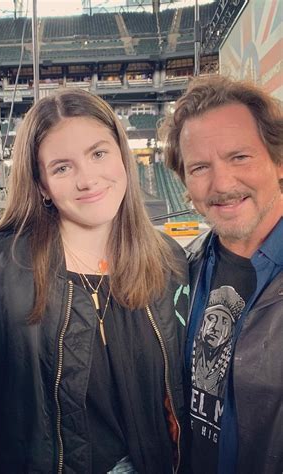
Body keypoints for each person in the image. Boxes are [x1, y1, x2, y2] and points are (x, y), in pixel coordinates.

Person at [0, 89, 189, 473]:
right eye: (62, 167)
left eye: (98, 153)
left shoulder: (169, 261)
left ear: (122, 157)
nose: (88, 179)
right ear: (41, 184)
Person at [159, 75, 282, 474]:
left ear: (278, 161)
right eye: (199, 167)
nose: (222, 184)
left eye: (240, 157)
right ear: (185, 184)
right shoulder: (181, 272)